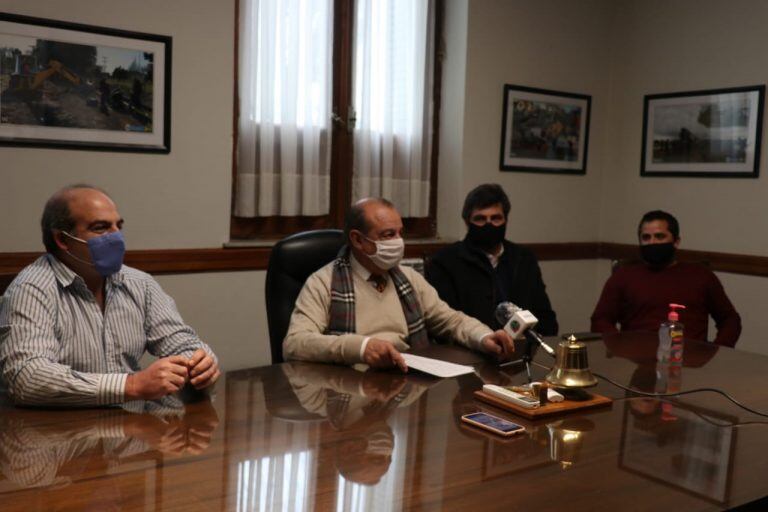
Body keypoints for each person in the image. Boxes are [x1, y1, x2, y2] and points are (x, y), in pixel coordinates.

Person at [0, 185, 220, 407]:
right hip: (56, 432)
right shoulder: (31, 289)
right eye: (101, 228)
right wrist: (131, 385)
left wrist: (199, 363)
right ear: (62, 240)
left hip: (130, 428)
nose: (117, 236)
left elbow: (181, 341)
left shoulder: (140, 284)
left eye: (119, 226)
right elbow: (27, 378)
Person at [283, 198, 515, 369]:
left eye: (399, 233)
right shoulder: (323, 282)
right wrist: (362, 348)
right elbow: (295, 343)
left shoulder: (408, 278)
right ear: (357, 240)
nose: (398, 242)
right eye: (387, 235)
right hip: (348, 386)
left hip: (407, 381)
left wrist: (484, 337)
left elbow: (450, 320)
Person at [590, 210, 741, 346]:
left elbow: (730, 320)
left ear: (676, 242)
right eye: (646, 238)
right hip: (635, 359)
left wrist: (717, 351)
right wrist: (620, 346)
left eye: (660, 236)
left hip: (689, 361)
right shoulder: (623, 276)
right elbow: (600, 320)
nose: (652, 242)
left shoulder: (701, 276)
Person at [425, 184, 558, 335]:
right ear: (467, 222)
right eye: (480, 219)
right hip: (469, 348)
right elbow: (443, 323)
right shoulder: (444, 262)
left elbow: (545, 317)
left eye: (496, 218)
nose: (489, 225)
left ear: (506, 220)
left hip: (522, 346)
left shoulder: (523, 259)